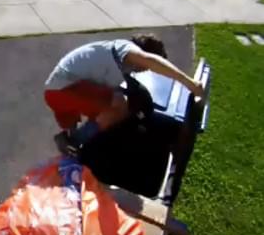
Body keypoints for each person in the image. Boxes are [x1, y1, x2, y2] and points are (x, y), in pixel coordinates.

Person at [44, 34, 204, 153]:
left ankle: (73, 146)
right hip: (64, 89)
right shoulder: (127, 49)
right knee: (119, 104)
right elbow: (151, 61)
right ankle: (76, 141)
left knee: (109, 106)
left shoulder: (116, 57)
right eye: (145, 67)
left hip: (59, 92)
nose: (145, 70)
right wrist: (190, 83)